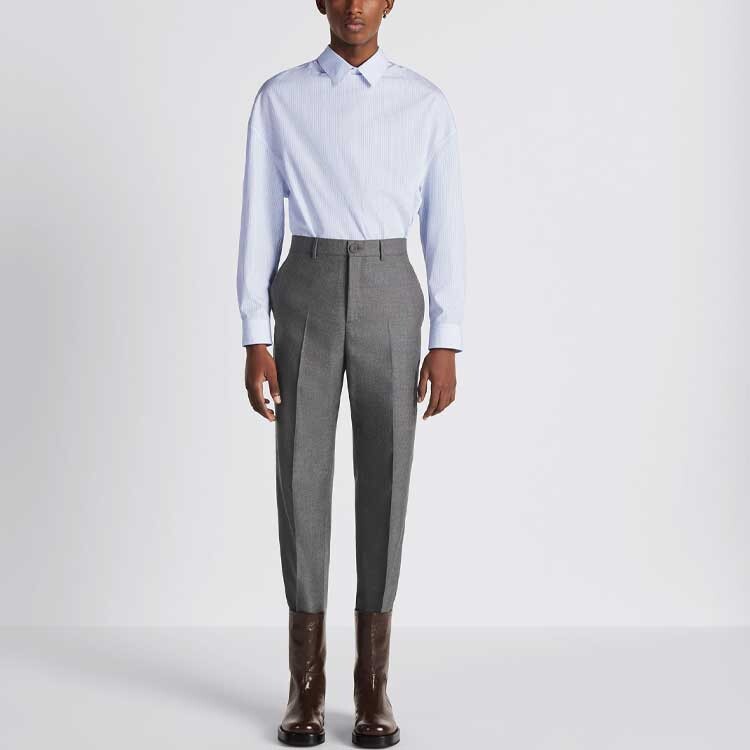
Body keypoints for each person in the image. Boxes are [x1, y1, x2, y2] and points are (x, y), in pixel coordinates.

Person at [236, 1, 466, 746]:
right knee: (301, 477)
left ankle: (373, 686)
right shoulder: (281, 97)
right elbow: (258, 215)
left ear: (390, 1)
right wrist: (253, 332)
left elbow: (446, 225)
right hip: (304, 281)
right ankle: (305, 686)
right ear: (321, 1)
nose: (355, 6)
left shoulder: (423, 103)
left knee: (386, 476)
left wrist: (447, 339)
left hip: (391, 285)